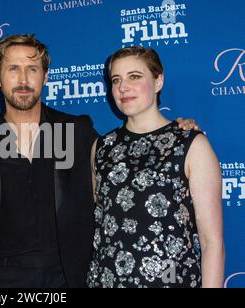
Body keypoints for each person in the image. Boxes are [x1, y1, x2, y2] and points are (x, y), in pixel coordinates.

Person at [0, 34, 199, 288]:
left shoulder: (76, 131)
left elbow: (125, 162)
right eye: (13, 69)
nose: (23, 79)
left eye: (32, 69)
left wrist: (174, 131)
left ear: (46, 76)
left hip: (67, 277)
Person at [86, 47, 225, 288]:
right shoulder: (102, 147)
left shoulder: (190, 144)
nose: (123, 87)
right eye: (116, 80)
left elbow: (211, 242)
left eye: (135, 76)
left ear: (158, 81)